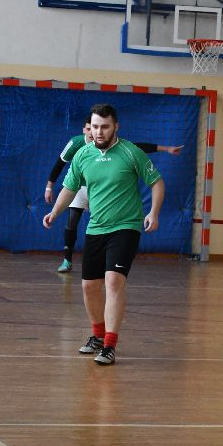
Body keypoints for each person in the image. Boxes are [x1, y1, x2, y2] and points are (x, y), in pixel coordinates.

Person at [43, 104, 163, 365]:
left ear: (116, 126)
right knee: (89, 287)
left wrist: (153, 213)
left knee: (113, 281)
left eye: (105, 127)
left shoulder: (131, 152)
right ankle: (97, 336)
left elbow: (157, 182)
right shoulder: (82, 155)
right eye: (95, 127)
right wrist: (54, 213)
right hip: (96, 228)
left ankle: (109, 345)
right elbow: (69, 188)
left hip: (126, 227)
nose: (99, 132)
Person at [44, 121, 182, 273]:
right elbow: (59, 164)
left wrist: (166, 148)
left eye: (99, 127)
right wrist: (49, 188)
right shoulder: (76, 145)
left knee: (109, 225)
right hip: (80, 188)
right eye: (90, 128)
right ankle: (67, 259)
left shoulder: (117, 147)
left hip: (103, 189)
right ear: (84, 130)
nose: (94, 132)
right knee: (72, 221)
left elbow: (139, 147)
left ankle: (110, 259)